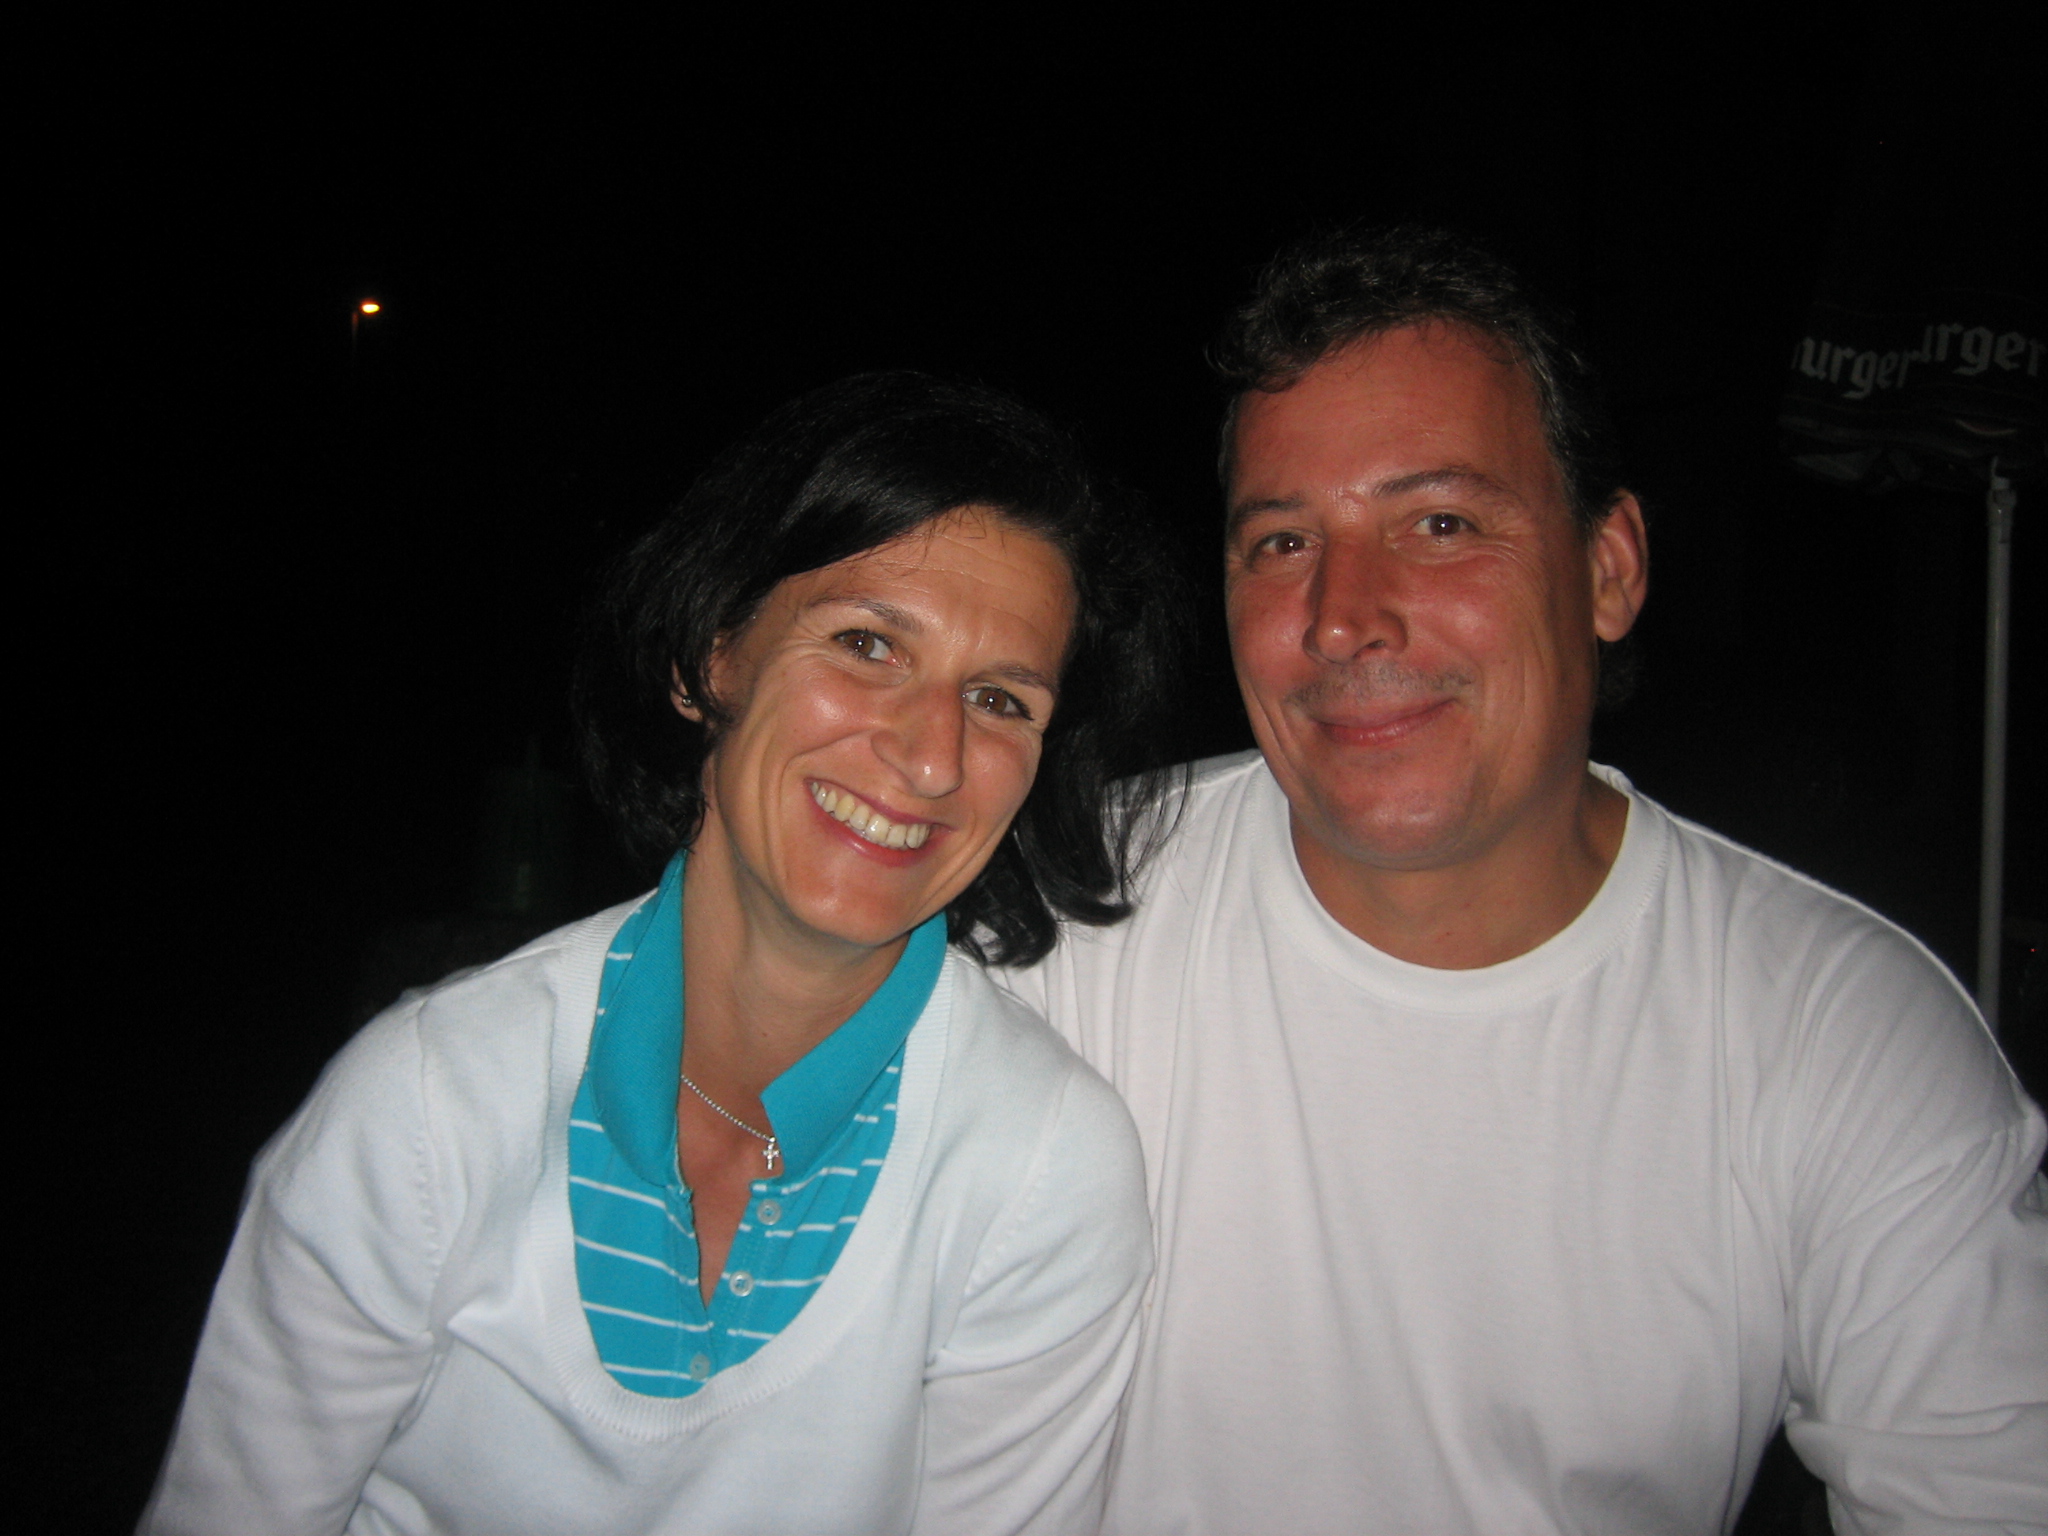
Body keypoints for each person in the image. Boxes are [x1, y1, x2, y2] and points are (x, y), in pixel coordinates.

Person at [1000, 227, 2048, 1534]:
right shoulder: (1066, 903)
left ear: (1608, 569)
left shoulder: (1837, 1031)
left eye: (1439, 524)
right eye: (1281, 543)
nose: (1342, 616)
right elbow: (767, 1151)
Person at [142, 372, 1185, 1535]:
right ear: (709, 658)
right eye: (865, 644)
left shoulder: (1039, 1170)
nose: (932, 756)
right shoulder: (431, 1106)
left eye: (998, 700)